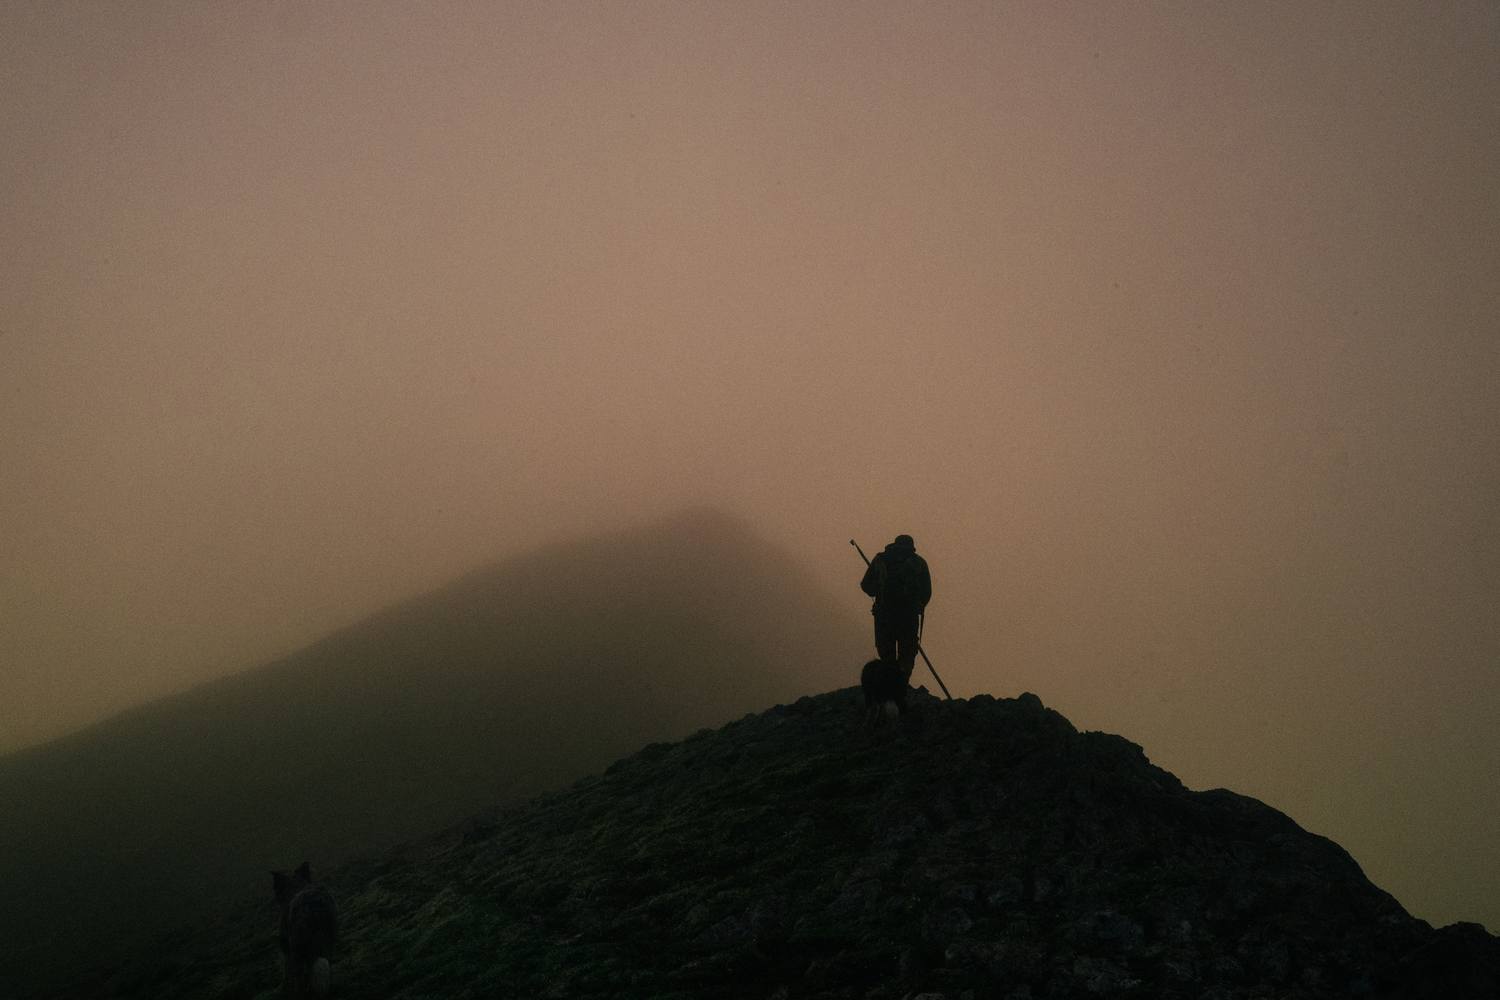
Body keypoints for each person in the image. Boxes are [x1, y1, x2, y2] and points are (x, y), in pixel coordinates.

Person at [859, 534, 931, 683]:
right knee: (907, 653)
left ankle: (890, 685)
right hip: (908, 618)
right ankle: (902, 683)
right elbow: (927, 592)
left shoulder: (880, 560)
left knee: (887, 654)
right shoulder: (918, 563)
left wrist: (877, 590)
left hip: (884, 616)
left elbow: (866, 585)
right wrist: (918, 605)